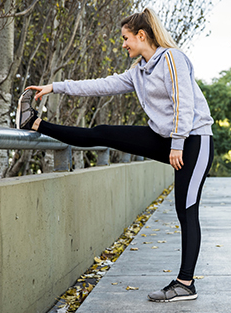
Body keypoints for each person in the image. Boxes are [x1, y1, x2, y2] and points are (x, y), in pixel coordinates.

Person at [15, 7, 214, 303]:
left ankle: (185, 283)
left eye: (126, 38)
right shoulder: (139, 72)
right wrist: (55, 87)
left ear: (141, 35)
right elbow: (100, 86)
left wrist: (177, 144)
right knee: (102, 132)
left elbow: (183, 102)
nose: (123, 44)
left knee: (186, 209)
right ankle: (34, 123)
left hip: (194, 141)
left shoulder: (172, 58)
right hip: (166, 137)